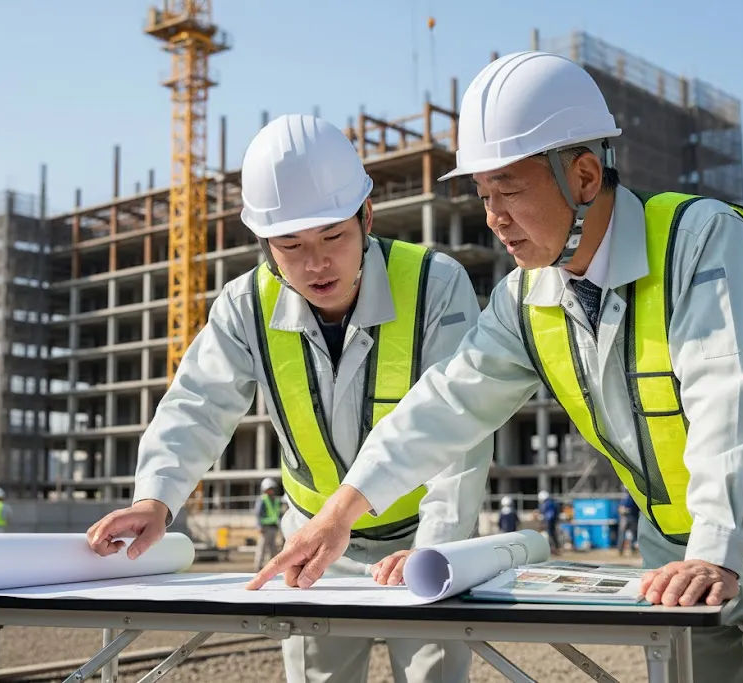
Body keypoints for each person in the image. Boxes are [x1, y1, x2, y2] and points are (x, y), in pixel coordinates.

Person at [248, 53, 743, 683]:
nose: (494, 218)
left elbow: (729, 400)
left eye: (510, 189)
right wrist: (339, 514)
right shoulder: (526, 298)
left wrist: (716, 552)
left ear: (584, 175)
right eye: (484, 194)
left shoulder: (702, 241)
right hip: (672, 552)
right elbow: (443, 404)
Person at [86, 113, 491, 683]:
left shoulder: (435, 284)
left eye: (333, 237)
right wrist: (156, 497)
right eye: (291, 245)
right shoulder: (244, 306)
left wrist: (436, 550)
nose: (316, 263)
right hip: (312, 545)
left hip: (421, 537)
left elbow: (460, 427)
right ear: (265, 243)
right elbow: (197, 405)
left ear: (366, 217)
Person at [254, 477, 283, 571]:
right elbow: (258, 514)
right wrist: (259, 526)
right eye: (269, 489)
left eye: (272, 489)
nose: (271, 491)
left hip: (273, 527)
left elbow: (278, 514)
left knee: (273, 549)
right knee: (262, 548)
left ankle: (270, 568)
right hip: (264, 528)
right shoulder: (262, 500)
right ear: (265, 489)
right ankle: (258, 568)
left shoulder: (275, 501)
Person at [536, 490, 561, 554]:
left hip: (550, 522)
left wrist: (545, 521)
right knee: (552, 534)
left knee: (550, 534)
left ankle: (553, 548)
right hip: (552, 521)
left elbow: (549, 514)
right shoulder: (551, 502)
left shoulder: (548, 503)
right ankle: (555, 547)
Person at [616, 489, 640, 556]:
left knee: (633, 535)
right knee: (623, 534)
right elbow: (621, 509)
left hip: (632, 517)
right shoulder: (626, 497)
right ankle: (621, 550)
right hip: (627, 518)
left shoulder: (633, 497)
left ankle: (631, 549)